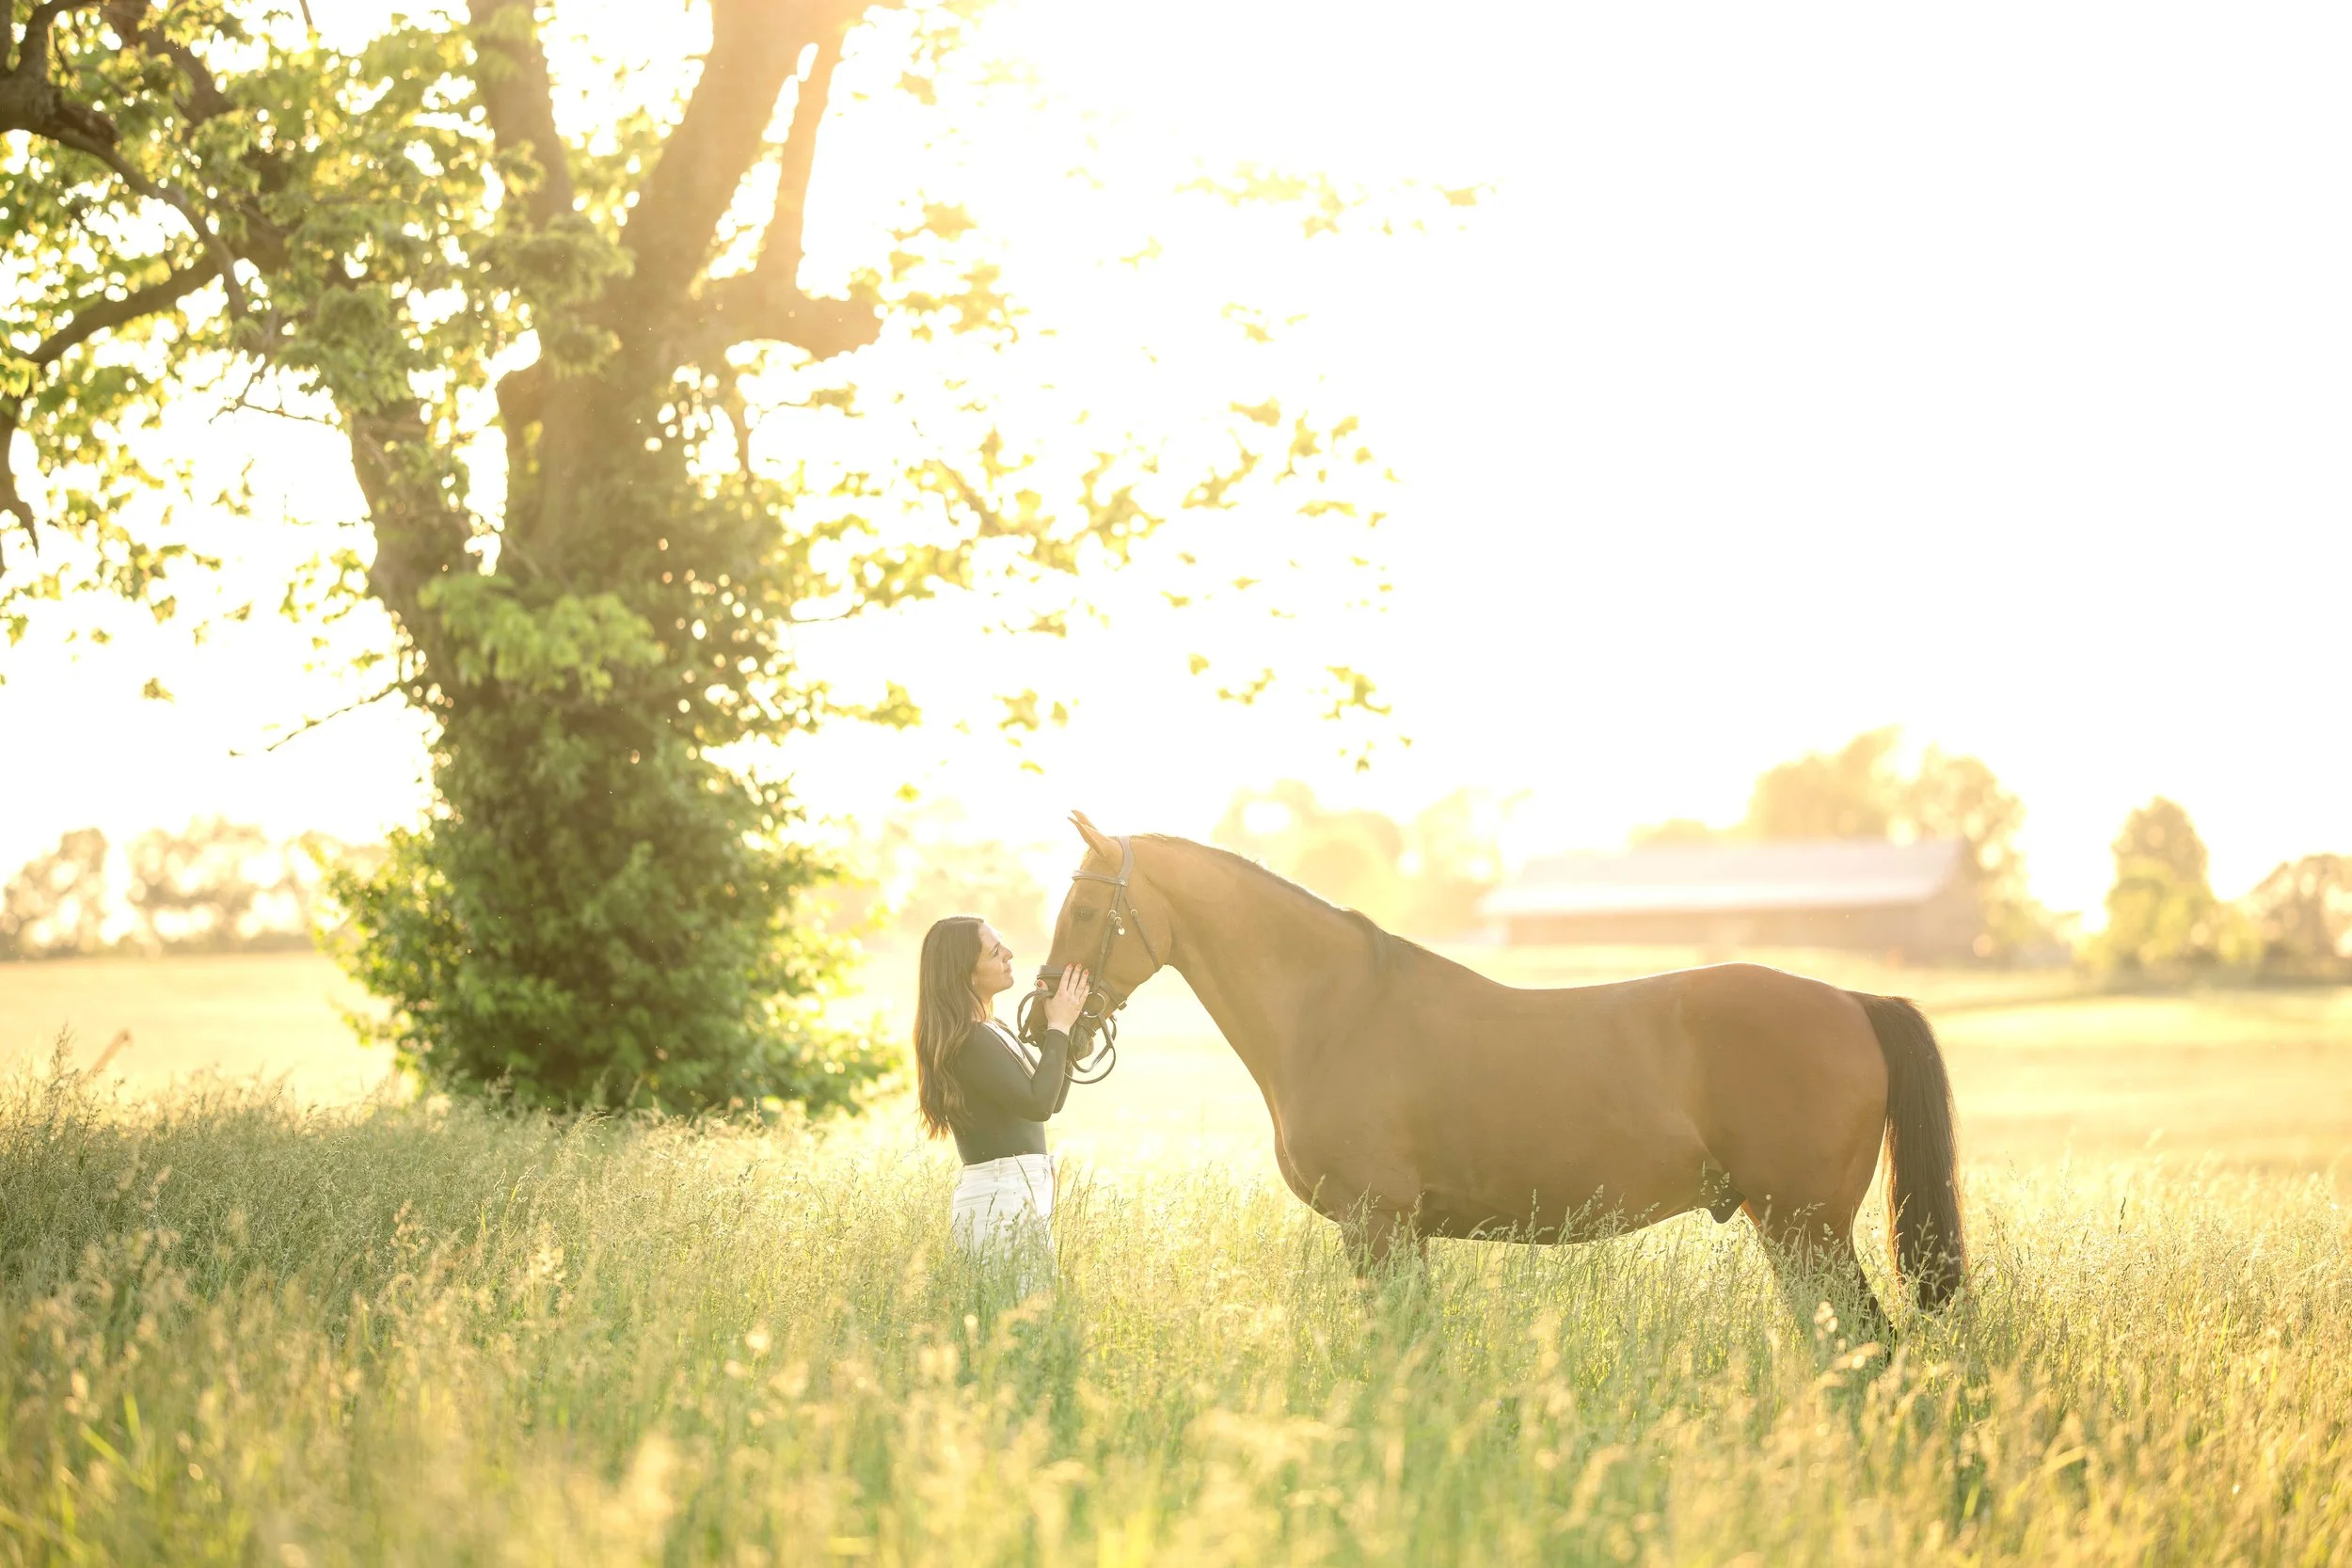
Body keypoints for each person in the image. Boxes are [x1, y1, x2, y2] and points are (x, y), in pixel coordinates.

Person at [913, 914, 1091, 1280]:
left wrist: (1068, 1041)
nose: (1009, 954)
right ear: (967, 973)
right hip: (1001, 1198)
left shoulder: (992, 1029)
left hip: (1014, 1193)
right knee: (1028, 1322)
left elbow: (1049, 1100)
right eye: (995, 953)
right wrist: (1058, 1027)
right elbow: (1039, 1105)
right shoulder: (969, 1040)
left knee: (1031, 1319)